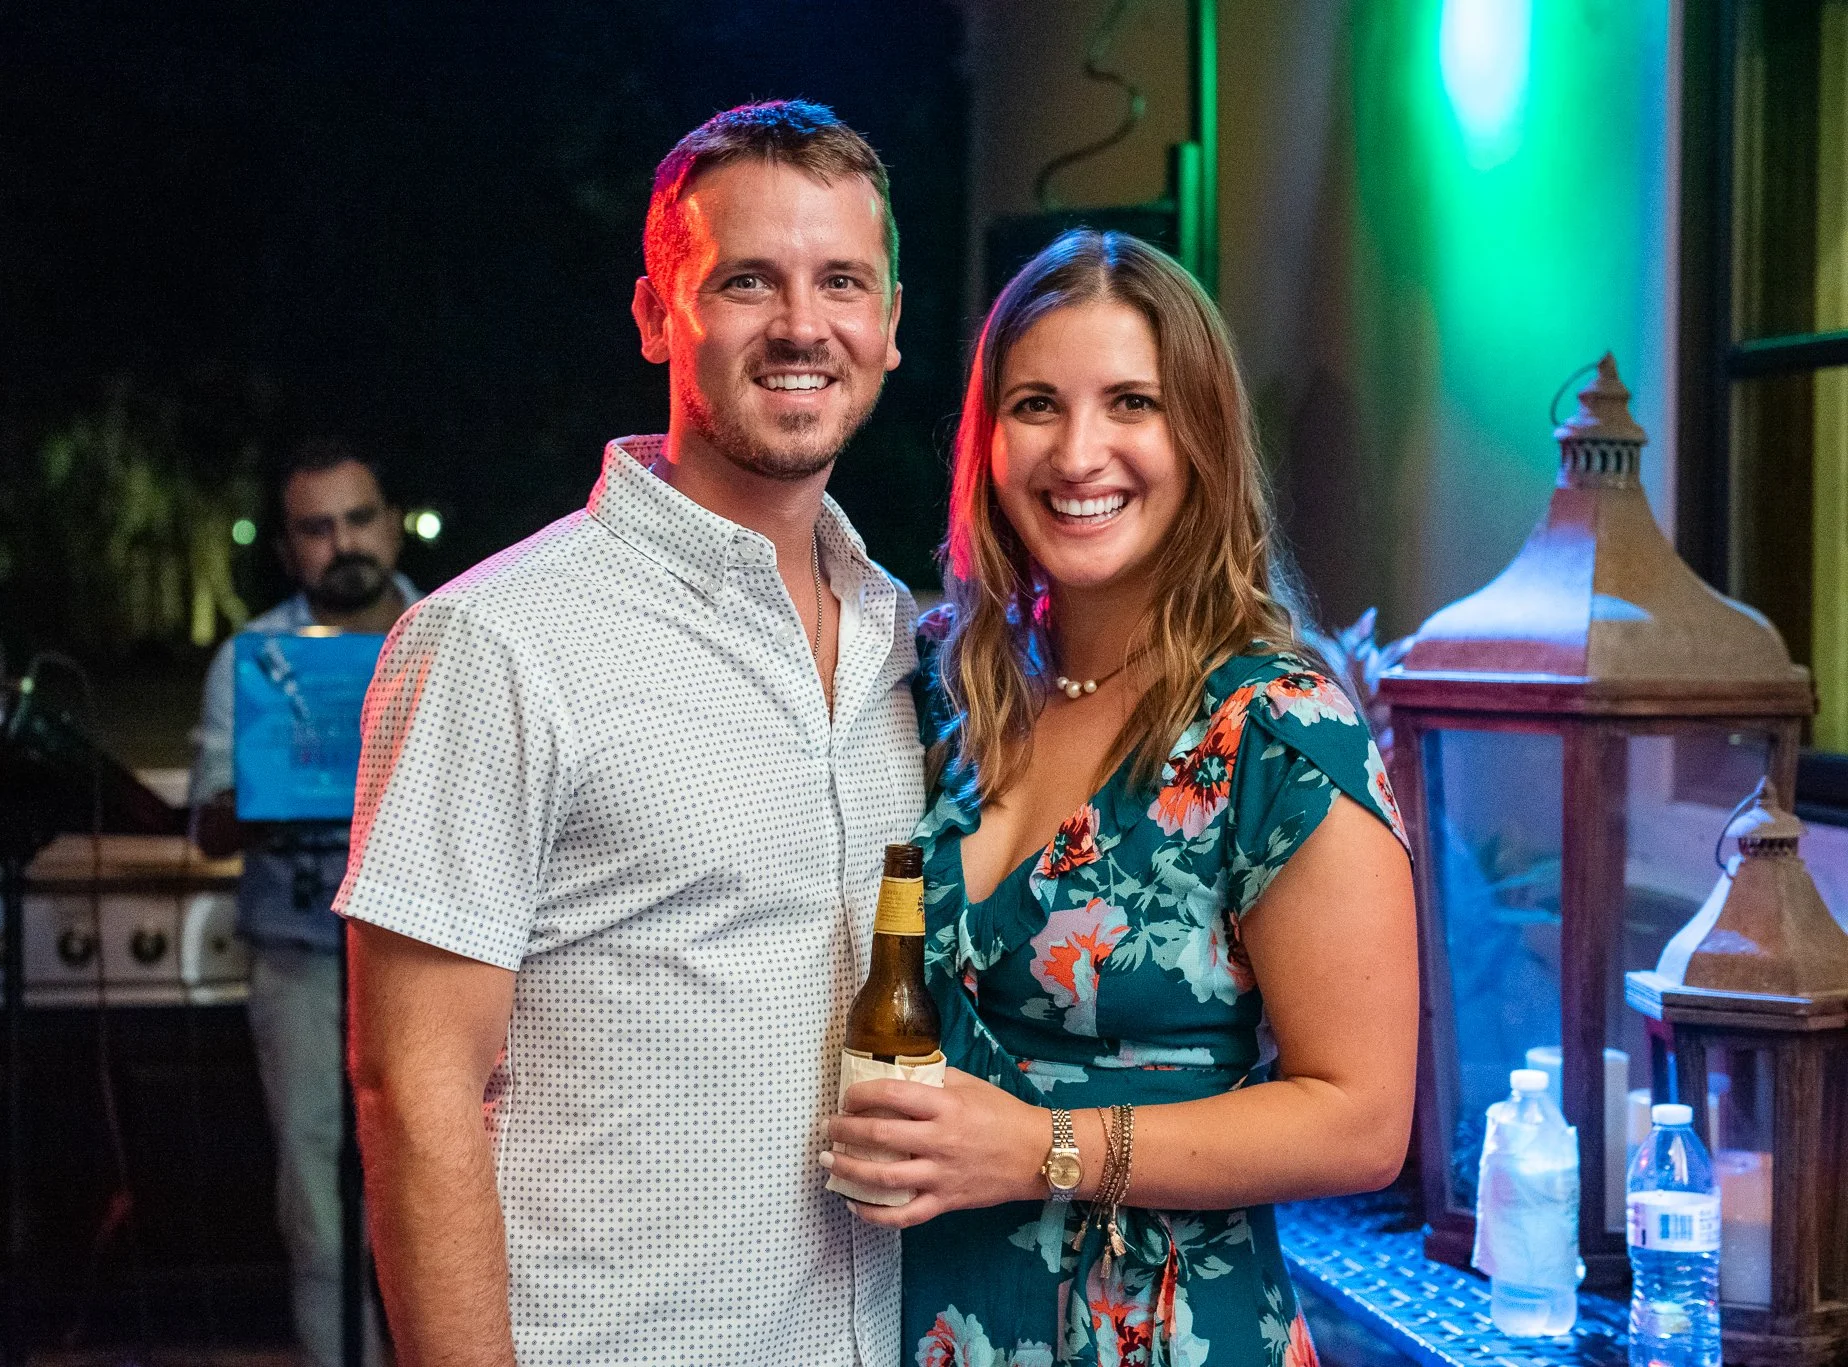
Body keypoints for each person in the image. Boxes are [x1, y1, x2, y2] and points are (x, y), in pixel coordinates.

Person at [336, 101, 925, 1367]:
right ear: (659, 315)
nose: (800, 324)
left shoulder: (905, 642)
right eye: (746, 281)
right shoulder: (498, 639)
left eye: (839, 281)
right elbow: (412, 1090)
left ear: (888, 323)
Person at [820, 230, 1419, 1367]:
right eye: (1035, 405)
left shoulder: (1275, 730)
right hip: (923, 1320)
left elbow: (1360, 1119)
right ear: (988, 441)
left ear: (1200, 436)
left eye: (1130, 403)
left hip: (1161, 1332)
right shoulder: (944, 684)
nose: (1077, 452)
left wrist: (1041, 1147)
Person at [190, 439, 418, 1367]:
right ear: (289, 551)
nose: (343, 543)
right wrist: (278, 776)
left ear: (392, 525)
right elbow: (208, 827)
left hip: (429, 964)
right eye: (317, 529)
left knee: (443, 1188)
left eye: (359, 518)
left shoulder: (455, 631)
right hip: (300, 959)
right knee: (317, 1206)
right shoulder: (250, 659)